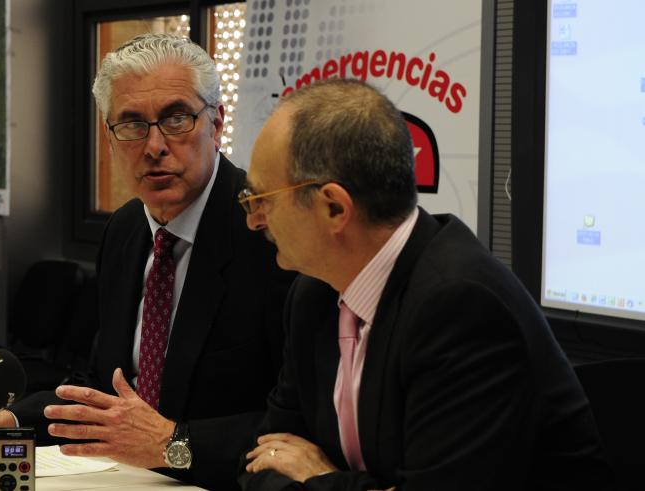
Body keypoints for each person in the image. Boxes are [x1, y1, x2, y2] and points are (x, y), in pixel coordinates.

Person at [0, 33, 293, 490]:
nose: (154, 145)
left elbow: (299, 428)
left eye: (176, 119)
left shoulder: (272, 236)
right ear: (110, 138)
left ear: (216, 125)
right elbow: (106, 385)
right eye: (132, 124)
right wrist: (7, 420)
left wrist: (172, 443)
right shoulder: (124, 231)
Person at [237, 79, 614, 490]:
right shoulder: (313, 296)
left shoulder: (461, 306)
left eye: (262, 199)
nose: (254, 219)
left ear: (334, 207)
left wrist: (320, 477)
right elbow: (261, 464)